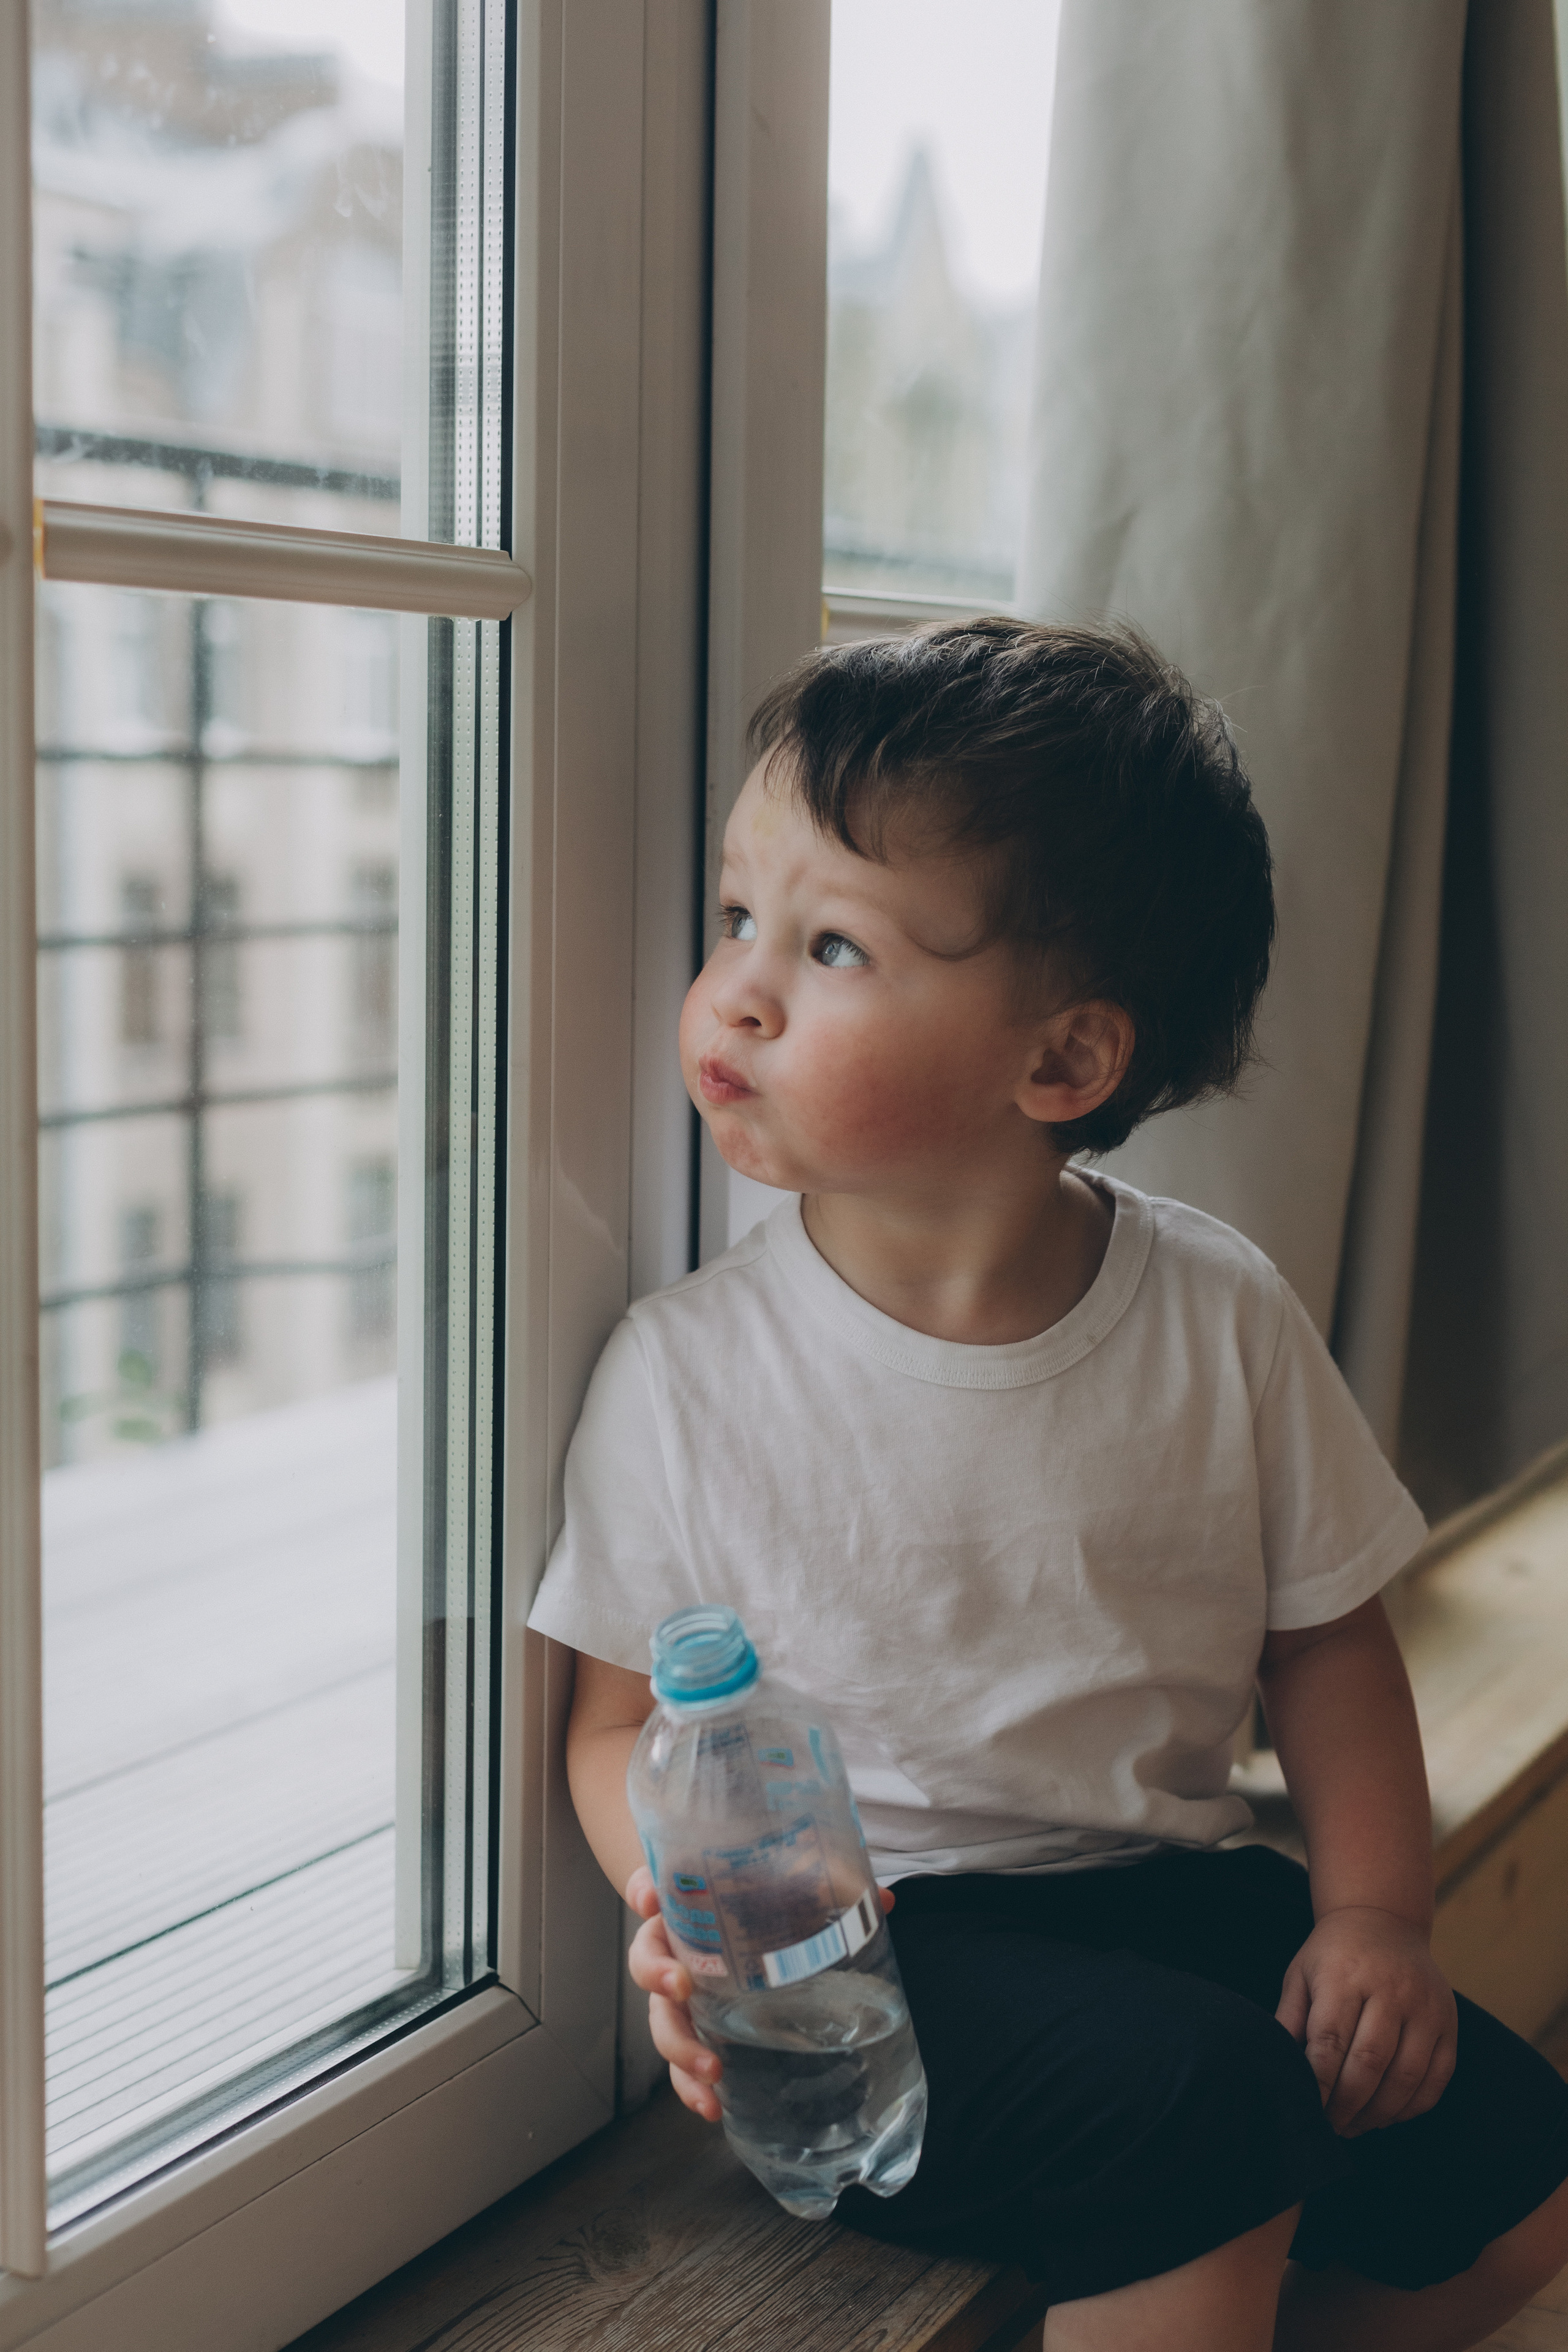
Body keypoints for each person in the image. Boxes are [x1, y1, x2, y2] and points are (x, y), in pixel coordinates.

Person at [527, 619, 1568, 2351]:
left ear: (1065, 1064)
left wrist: (1377, 1916)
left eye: (832, 942)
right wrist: (696, 1910)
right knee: (1210, 2107)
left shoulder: (1215, 1311)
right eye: (738, 920)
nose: (741, 990)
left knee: (1518, 2164)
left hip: (1166, 1891)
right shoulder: (692, 1369)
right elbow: (611, 1722)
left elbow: (1328, 1646)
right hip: (889, 1957)